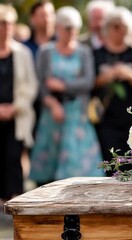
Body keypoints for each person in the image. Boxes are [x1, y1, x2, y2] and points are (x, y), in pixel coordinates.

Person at [30, 6, 103, 186]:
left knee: (78, 167)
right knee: (48, 169)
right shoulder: (46, 51)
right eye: (67, 28)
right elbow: (41, 84)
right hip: (52, 113)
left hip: (77, 113)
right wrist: (52, 103)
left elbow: (88, 82)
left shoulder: (83, 52)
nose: (71, 32)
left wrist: (63, 85)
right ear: (58, 28)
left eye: (75, 28)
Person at [92, 7, 132, 167]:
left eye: (124, 26)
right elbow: (90, 85)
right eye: (115, 26)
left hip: (131, 118)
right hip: (105, 119)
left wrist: (130, 75)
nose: (120, 30)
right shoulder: (97, 54)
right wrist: (108, 76)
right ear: (107, 28)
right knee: (110, 165)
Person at [0, 4, 38, 202]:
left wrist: (14, 107)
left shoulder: (22, 53)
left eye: (9, 24)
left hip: (17, 116)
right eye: (2, 23)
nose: (5, 28)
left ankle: (13, 202)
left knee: (13, 159)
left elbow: (30, 86)